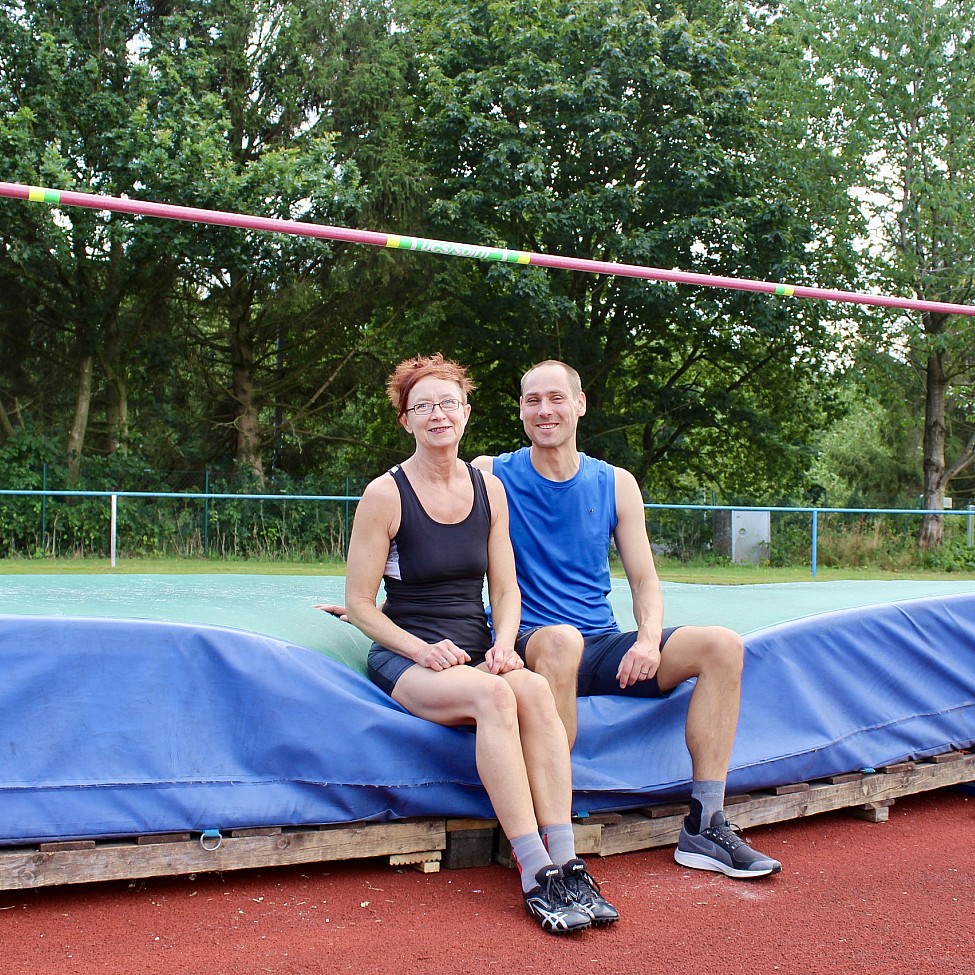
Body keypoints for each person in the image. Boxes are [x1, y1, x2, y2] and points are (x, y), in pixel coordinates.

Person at [317, 353, 618, 934]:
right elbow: (358, 605)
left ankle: (568, 859)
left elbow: (505, 587)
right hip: (409, 653)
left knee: (529, 686)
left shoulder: (490, 489)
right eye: (422, 406)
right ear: (406, 420)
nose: (437, 415)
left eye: (447, 404)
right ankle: (536, 873)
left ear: (466, 413)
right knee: (497, 699)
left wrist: (505, 644)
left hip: (476, 649)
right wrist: (419, 650)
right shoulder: (385, 494)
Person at [470, 360, 782, 881]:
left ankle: (705, 824)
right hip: (532, 639)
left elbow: (644, 580)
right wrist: (386, 606)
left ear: (580, 403)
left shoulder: (615, 483)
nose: (544, 410)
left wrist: (649, 640)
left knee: (722, 645)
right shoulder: (491, 472)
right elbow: (427, 520)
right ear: (521, 410)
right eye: (531, 401)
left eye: (555, 398)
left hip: (602, 641)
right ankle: (553, 830)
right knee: (561, 641)